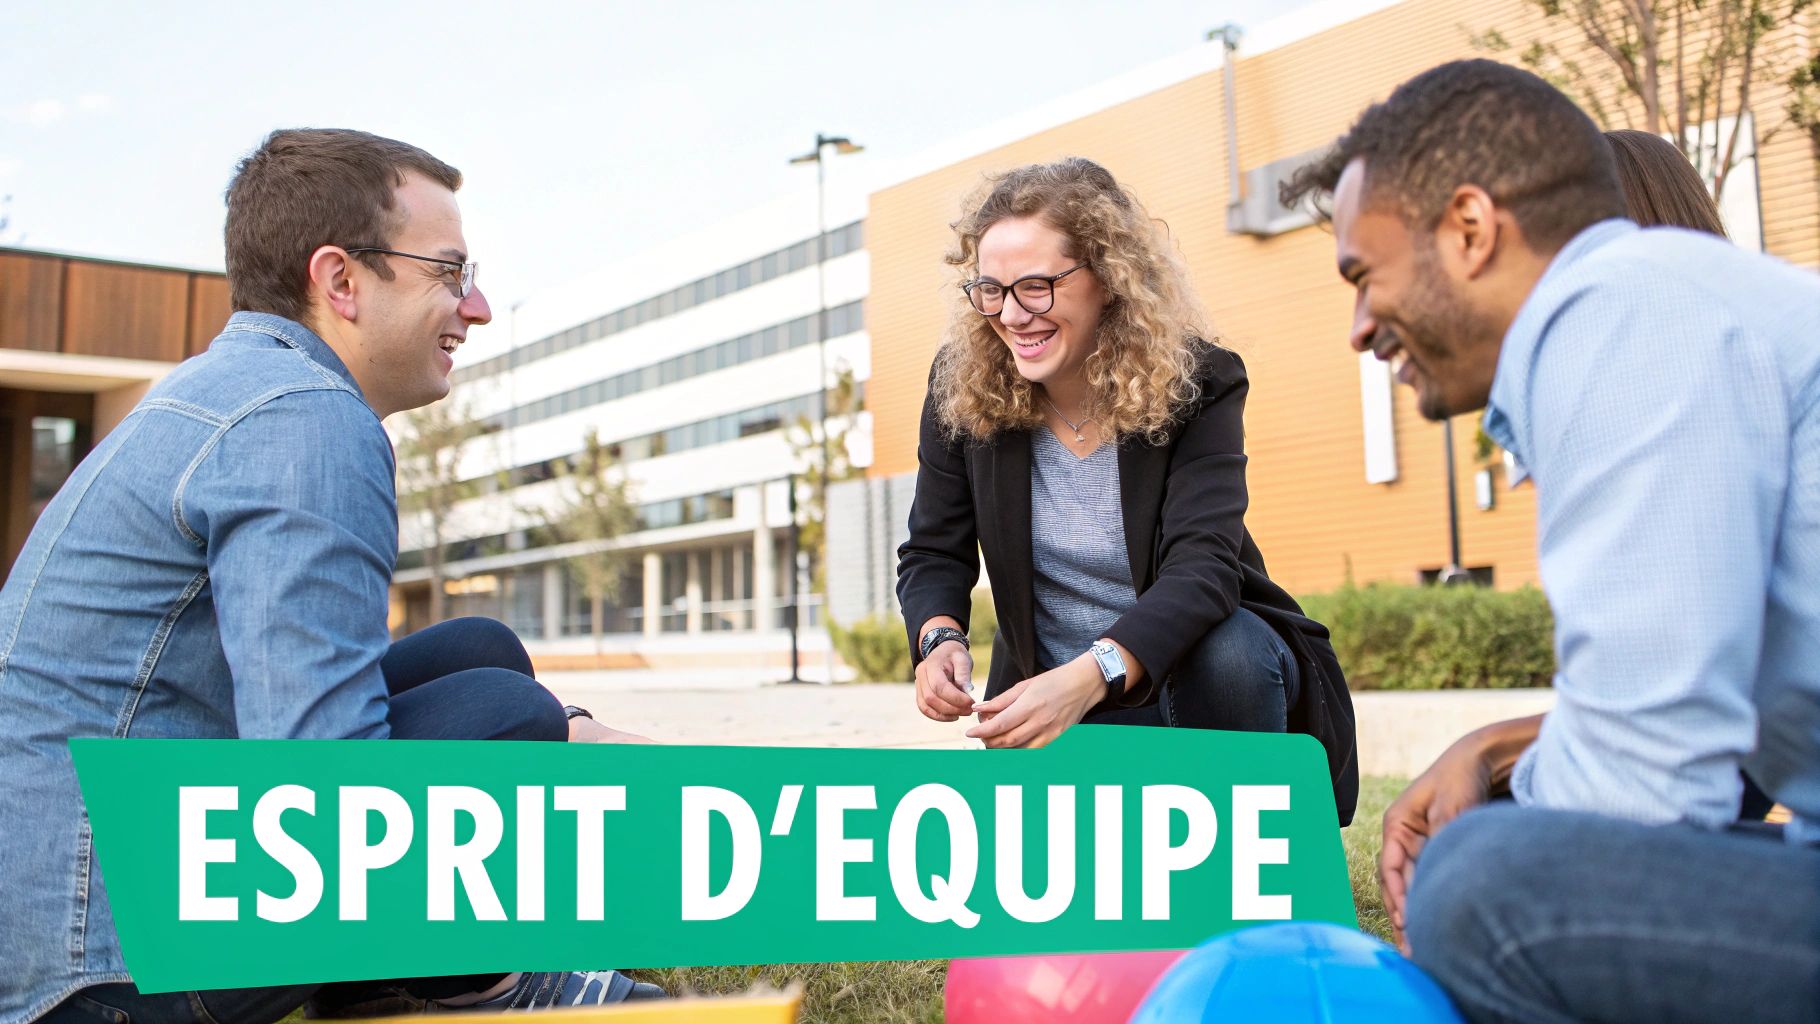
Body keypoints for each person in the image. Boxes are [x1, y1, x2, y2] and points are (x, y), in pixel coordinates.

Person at [0, 129, 659, 1024]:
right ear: (340, 281)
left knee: (479, 650)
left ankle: (387, 980)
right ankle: (485, 985)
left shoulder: (228, 387)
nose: (477, 307)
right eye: (450, 273)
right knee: (509, 715)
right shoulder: (306, 421)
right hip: (108, 963)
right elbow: (322, 783)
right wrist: (578, 762)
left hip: (65, 893)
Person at [1284, 59, 1820, 1022]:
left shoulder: (1621, 318)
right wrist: (1504, 761)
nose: (1359, 329)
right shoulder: (1665, 304)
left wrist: (1497, 811)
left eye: (1364, 277)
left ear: (1471, 228)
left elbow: (1646, 787)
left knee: (1483, 885)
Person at [896, 157, 1356, 820]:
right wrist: (938, 640)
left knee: (1228, 649)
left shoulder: (1199, 381)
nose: (1011, 315)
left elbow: (1203, 571)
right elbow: (934, 550)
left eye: (1036, 287)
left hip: (1181, 694)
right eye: (991, 290)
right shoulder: (962, 383)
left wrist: (1087, 677)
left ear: (1109, 278)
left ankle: (1242, 836)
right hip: (1046, 705)